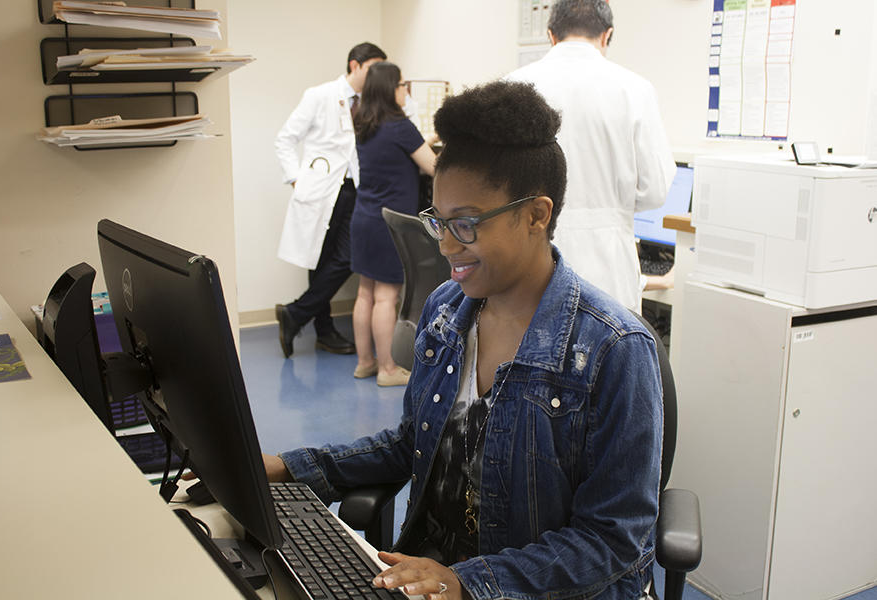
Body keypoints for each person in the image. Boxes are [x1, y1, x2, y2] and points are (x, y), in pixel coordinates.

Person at [264, 80, 663, 599]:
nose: (447, 245)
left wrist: (470, 583)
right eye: (438, 221)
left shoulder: (615, 349)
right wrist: (292, 468)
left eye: (467, 224)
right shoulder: (447, 312)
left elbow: (613, 541)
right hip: (433, 579)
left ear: (536, 215)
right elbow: (413, 443)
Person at [507, 0, 675, 313]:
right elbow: (655, 191)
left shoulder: (513, 85)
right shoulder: (635, 89)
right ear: (606, 35)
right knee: (608, 354)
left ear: (551, 36)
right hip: (608, 271)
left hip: (528, 258)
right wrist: (612, 203)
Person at [274, 42, 387, 358]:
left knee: (348, 257)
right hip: (322, 190)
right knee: (320, 260)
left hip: (356, 191)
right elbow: (285, 139)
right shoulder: (319, 95)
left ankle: (295, 313)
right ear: (355, 65)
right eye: (373, 68)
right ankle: (324, 332)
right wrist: (296, 180)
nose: (377, 75)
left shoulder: (374, 104)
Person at [350, 62, 437, 387]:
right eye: (401, 84)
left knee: (366, 294)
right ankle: (388, 369)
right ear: (390, 89)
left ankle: (365, 363)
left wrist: (428, 137)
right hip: (389, 224)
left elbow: (398, 150)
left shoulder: (365, 122)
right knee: (387, 297)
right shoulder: (401, 126)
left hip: (364, 219)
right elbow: (431, 166)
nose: (406, 90)